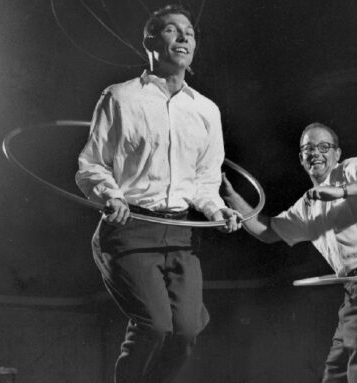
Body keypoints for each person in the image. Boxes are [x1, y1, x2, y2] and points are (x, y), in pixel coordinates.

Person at [75, 5, 241, 383]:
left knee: (186, 332)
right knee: (155, 325)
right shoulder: (119, 98)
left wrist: (217, 211)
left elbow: (204, 181)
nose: (183, 38)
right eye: (171, 30)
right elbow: (92, 164)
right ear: (150, 40)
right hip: (129, 228)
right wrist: (110, 196)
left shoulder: (206, 111)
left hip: (180, 235)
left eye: (189, 33)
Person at [221, 122, 357, 383]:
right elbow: (267, 231)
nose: (316, 152)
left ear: (337, 154)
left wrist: (341, 191)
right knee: (334, 376)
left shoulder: (352, 169)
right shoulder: (307, 204)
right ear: (301, 159)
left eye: (324, 146)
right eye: (308, 148)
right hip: (354, 292)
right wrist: (230, 196)